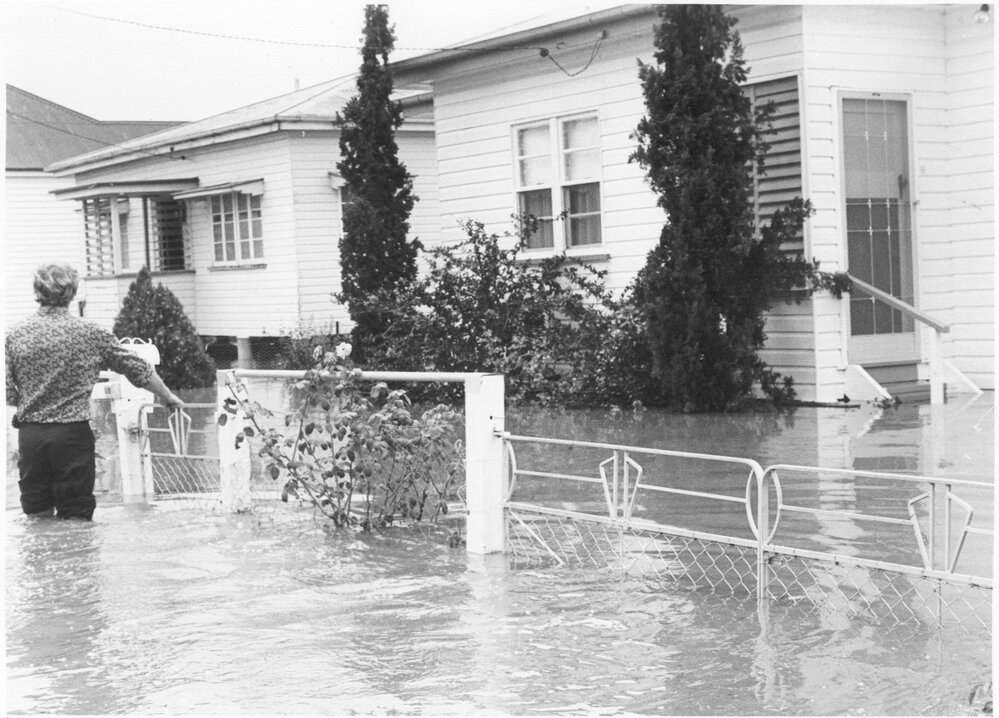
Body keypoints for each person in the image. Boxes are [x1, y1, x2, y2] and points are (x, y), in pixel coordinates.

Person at [5, 261, 183, 520]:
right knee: (76, 516)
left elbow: (8, 393)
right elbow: (138, 370)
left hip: (32, 437)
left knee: (36, 515)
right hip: (72, 436)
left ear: (37, 292)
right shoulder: (91, 333)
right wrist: (169, 397)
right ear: (73, 292)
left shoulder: (14, 335)